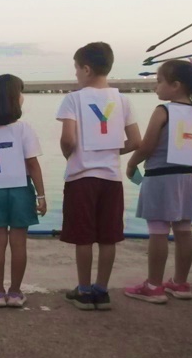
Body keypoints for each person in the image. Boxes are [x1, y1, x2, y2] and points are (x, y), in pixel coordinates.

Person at [124, 60, 192, 303]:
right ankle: (180, 283)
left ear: (175, 85)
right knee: (185, 230)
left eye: (159, 82)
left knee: (158, 231)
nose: (156, 87)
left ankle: (153, 285)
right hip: (189, 178)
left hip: (161, 179)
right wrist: (190, 160)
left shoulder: (163, 111)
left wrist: (132, 163)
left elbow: (147, 145)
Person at [57, 42, 141, 311]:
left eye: (76, 69)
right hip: (111, 178)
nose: (76, 75)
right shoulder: (123, 100)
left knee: (83, 237)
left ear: (86, 68)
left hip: (81, 177)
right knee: (108, 236)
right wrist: (113, 151)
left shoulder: (73, 98)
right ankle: (101, 290)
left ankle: (83, 290)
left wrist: (69, 154)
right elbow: (136, 140)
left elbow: (68, 138)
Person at [0, 75, 46, 308]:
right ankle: (14, 292)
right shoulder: (23, 129)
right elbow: (32, 164)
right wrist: (41, 195)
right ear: (12, 100)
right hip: (21, 189)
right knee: (19, 242)